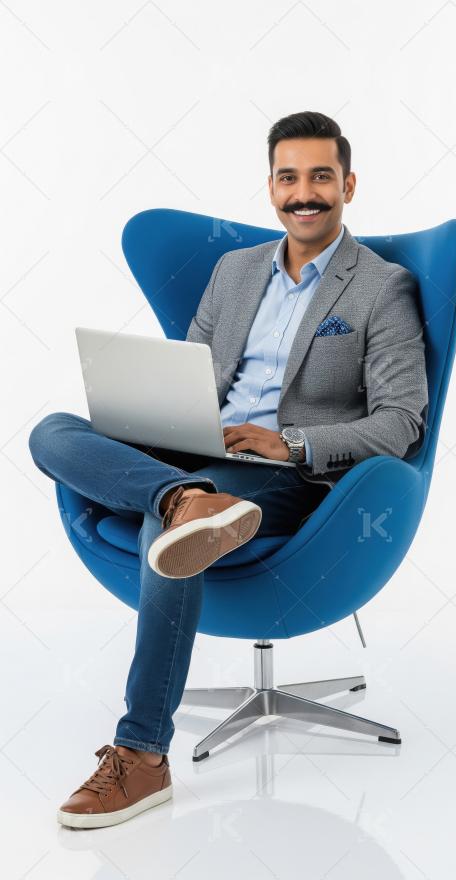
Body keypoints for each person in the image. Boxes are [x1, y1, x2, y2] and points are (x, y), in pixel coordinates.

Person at [28, 110, 428, 829]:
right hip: (195, 452)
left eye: (320, 177)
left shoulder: (381, 287)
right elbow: (194, 375)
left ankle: (142, 755)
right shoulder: (233, 271)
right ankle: (184, 496)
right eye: (287, 177)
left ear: (348, 185)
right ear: (270, 185)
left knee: (165, 517)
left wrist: (292, 442)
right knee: (52, 431)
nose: (302, 193)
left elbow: (403, 423)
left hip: (281, 474)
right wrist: (158, 423)